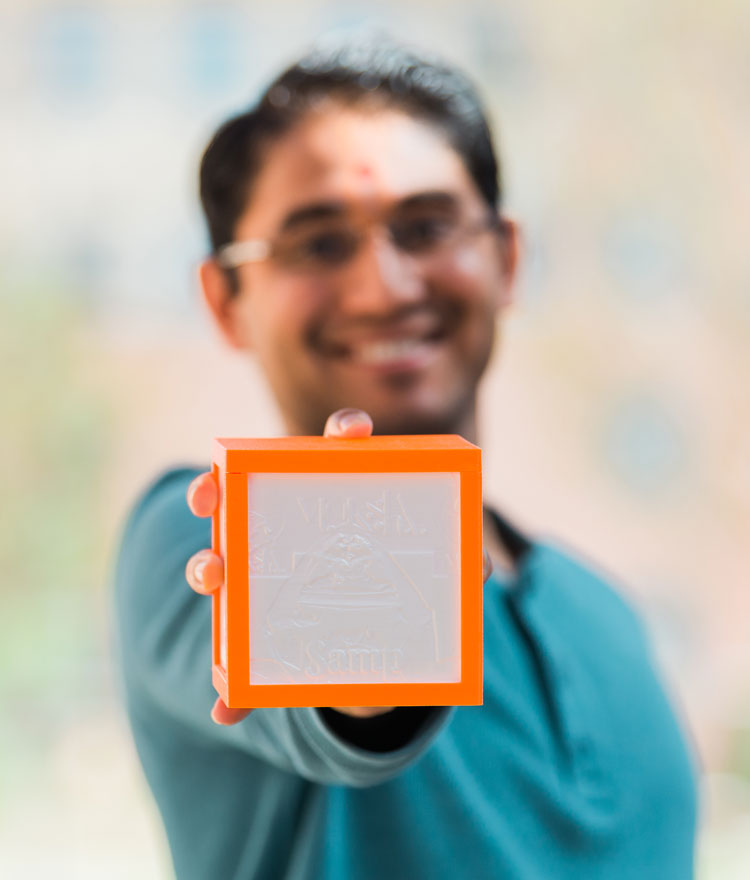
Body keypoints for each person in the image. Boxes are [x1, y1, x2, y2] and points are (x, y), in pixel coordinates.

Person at [114, 39, 698, 880]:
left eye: (425, 227)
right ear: (224, 301)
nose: (384, 286)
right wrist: (354, 663)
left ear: (506, 258)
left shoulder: (605, 614)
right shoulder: (198, 532)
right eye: (317, 244)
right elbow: (337, 696)